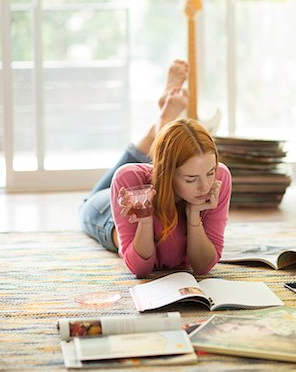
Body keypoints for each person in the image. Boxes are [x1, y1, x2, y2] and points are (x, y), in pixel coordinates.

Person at [79, 60, 232, 277]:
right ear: (168, 174)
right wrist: (144, 220)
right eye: (191, 179)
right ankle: (161, 125)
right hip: (106, 211)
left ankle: (161, 126)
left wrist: (194, 217)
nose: (206, 186)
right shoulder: (131, 182)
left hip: (153, 173)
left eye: (209, 172)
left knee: (162, 159)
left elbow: (203, 267)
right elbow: (141, 270)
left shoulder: (220, 177)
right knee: (85, 205)